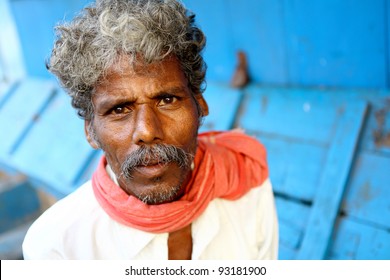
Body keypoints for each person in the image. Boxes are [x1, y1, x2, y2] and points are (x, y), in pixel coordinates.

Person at [23, 0, 278, 260]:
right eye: (120, 109)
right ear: (90, 131)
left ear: (200, 105)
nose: (147, 131)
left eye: (167, 100)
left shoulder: (247, 185)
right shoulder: (56, 245)